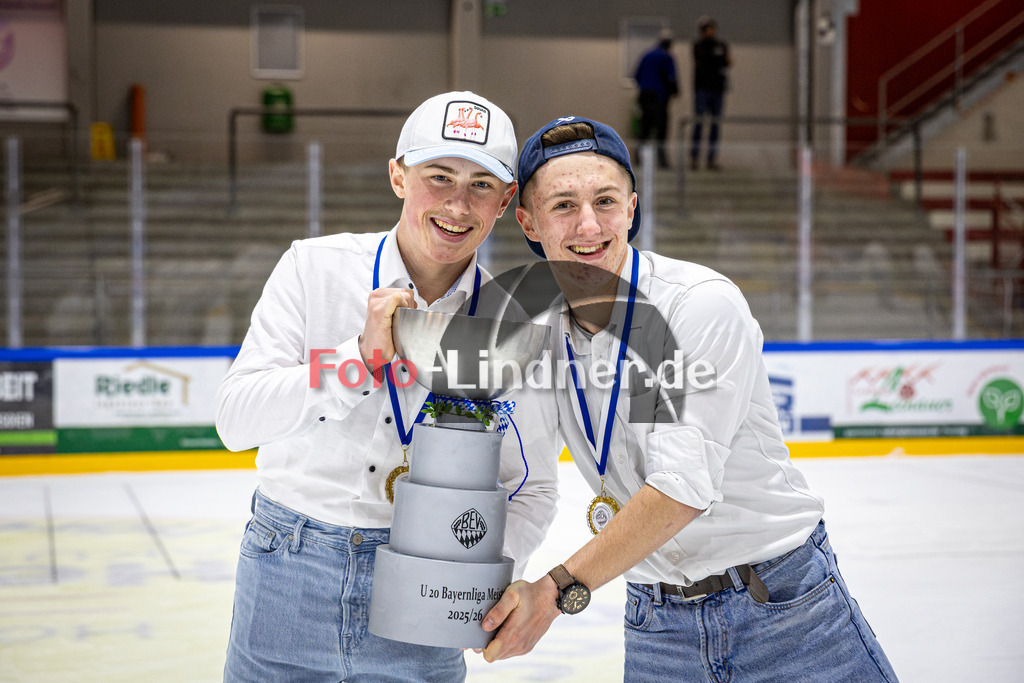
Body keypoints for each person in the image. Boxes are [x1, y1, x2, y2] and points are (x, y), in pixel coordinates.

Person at [478, 115, 898, 682]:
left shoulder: (697, 306)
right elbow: (524, 478)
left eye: (605, 200)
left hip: (783, 611)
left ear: (631, 207)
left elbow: (682, 487)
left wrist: (552, 592)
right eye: (562, 205)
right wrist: (469, 590)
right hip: (657, 624)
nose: (588, 224)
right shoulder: (534, 329)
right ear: (527, 221)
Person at [216, 91, 559, 682]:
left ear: (506, 201)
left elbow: (532, 489)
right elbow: (235, 422)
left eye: (482, 185)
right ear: (398, 176)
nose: (457, 203)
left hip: (428, 584)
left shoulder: (511, 327)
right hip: (287, 573)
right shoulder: (312, 269)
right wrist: (356, 361)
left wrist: (474, 579)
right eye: (439, 175)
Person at [633, 29, 678, 169]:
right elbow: (671, 78)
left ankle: (638, 157)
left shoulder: (647, 55)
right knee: (661, 128)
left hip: (645, 96)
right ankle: (661, 159)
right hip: (658, 97)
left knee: (645, 126)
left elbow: (636, 75)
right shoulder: (666, 57)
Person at [690, 16, 730, 171]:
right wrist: (716, 59)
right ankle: (694, 157)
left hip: (717, 90)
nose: (711, 32)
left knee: (715, 125)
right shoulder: (698, 46)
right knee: (699, 123)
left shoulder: (721, 45)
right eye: (708, 29)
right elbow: (703, 61)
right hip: (702, 89)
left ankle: (711, 159)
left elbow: (728, 61)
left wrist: (716, 60)